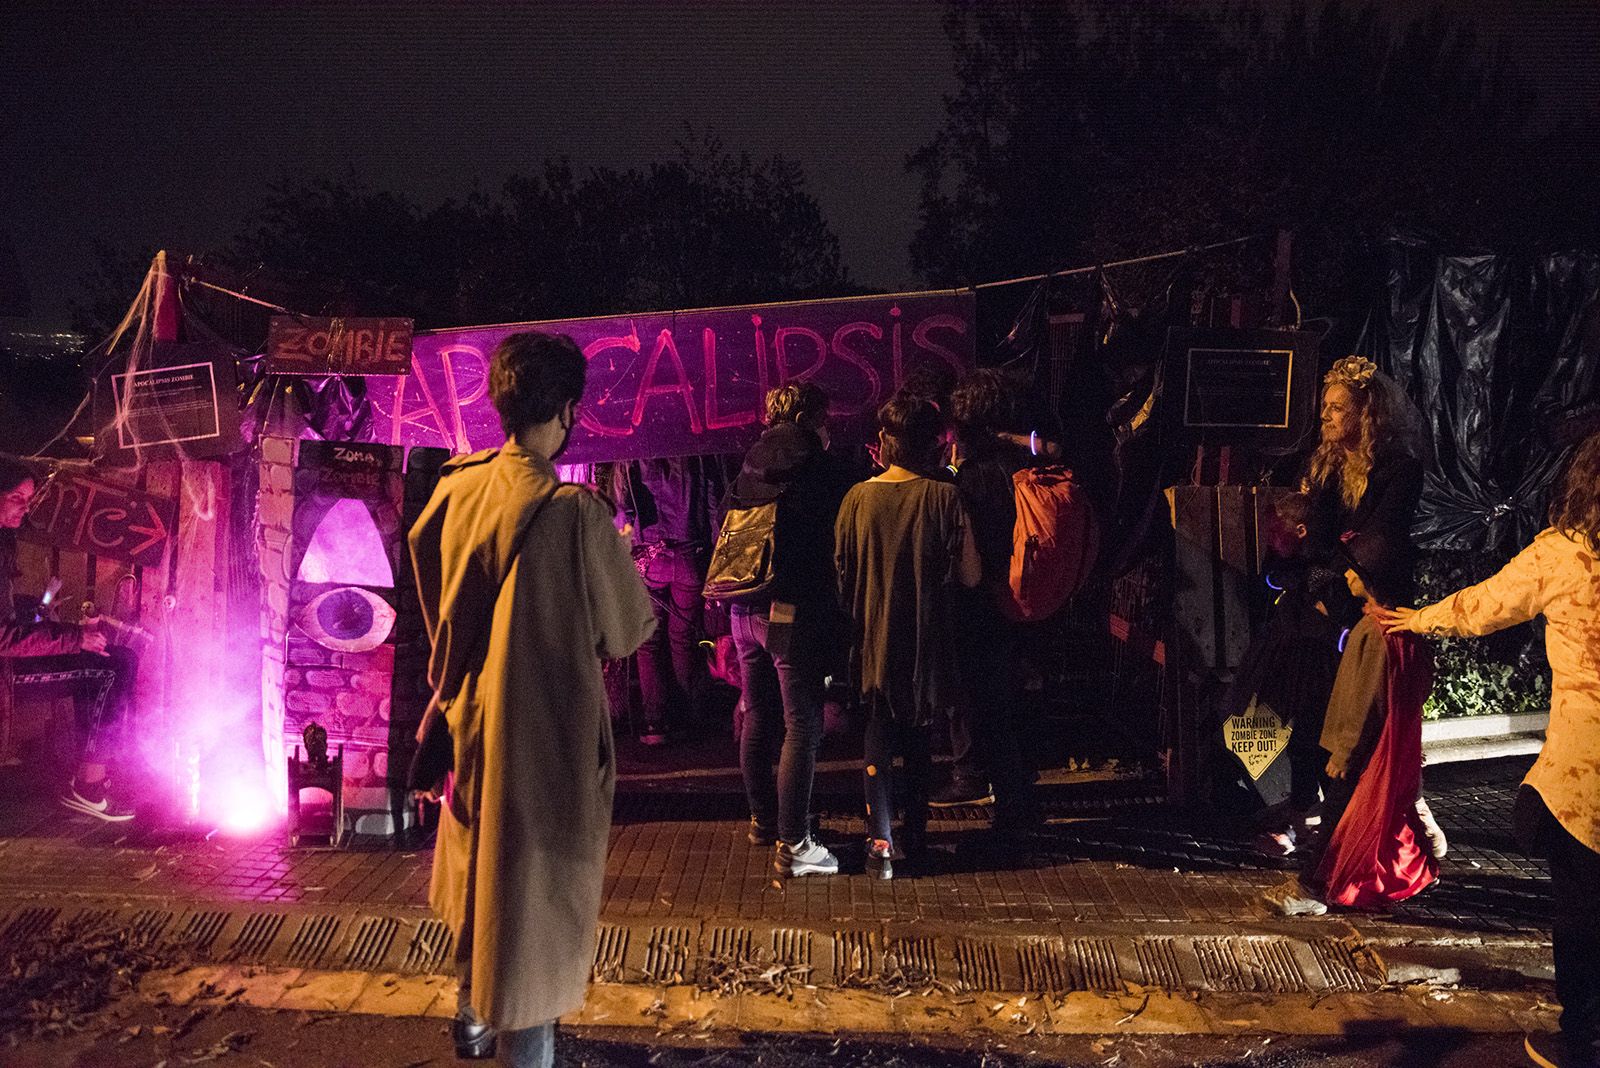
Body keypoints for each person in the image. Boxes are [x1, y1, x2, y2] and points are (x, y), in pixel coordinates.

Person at [409, 332, 655, 1067]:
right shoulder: (576, 513)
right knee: (532, 913)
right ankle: (524, 1050)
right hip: (544, 734)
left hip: (468, 720)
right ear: (569, 410)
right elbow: (627, 630)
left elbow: (429, 572)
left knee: (477, 874)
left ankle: (470, 1014)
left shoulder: (458, 486)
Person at [1377, 429, 1600, 1068]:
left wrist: (1418, 618)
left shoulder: (1564, 555)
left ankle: (1582, 1038)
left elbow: (1484, 605)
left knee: (1580, 901)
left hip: (1584, 770)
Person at [1298, 354, 1447, 860]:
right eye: (1325, 406)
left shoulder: (1399, 468)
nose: (1325, 416)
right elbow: (1317, 540)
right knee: (1319, 710)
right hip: (1331, 598)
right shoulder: (1325, 466)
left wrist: (1344, 586)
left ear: (1366, 412)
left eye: (1338, 407)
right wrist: (1320, 588)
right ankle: (1317, 820)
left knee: (1368, 724)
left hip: (1376, 600)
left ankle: (1401, 818)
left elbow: (1381, 538)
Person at [835, 394, 981, 879]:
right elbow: (971, 575)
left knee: (877, 735)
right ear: (932, 445)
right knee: (919, 740)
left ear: (884, 442)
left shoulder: (856, 499)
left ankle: (880, 843)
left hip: (872, 635)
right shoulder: (944, 497)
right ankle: (916, 840)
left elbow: (842, 576)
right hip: (925, 638)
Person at [726, 382, 853, 878]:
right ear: (809, 420)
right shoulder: (821, 468)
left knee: (757, 711)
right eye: (824, 421)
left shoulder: (747, 466)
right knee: (803, 723)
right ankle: (795, 842)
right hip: (788, 611)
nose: (828, 429)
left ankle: (763, 820)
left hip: (742, 607)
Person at [0, 455, 133, 821]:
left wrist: (34, 608)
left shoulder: (3, 542)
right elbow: (3, 637)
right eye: (16, 498)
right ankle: (89, 785)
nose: (25, 508)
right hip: (6, 676)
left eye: (28, 500)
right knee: (109, 668)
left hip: (11, 665)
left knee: (116, 660)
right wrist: (74, 639)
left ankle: (91, 775)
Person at [933, 369, 1036, 829]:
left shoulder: (968, 479)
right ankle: (1018, 796)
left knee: (983, 701)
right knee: (1010, 699)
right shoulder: (1024, 468)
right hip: (1024, 591)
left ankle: (1008, 813)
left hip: (979, 600)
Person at [1223, 491, 1344, 856]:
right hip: (1298, 663)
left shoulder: (1323, 569)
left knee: (1315, 744)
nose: (1272, 539)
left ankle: (1326, 826)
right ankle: (1307, 820)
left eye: (1278, 532)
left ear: (1302, 530)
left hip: (1320, 668)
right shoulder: (1294, 568)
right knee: (1305, 742)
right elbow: (1272, 582)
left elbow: (1333, 616)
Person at [618, 455, 726, 745]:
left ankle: (655, 721)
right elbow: (714, 503)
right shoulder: (696, 452)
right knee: (682, 638)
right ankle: (691, 716)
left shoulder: (633, 453)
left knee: (649, 642)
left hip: (650, 556)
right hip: (690, 555)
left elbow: (623, 508)